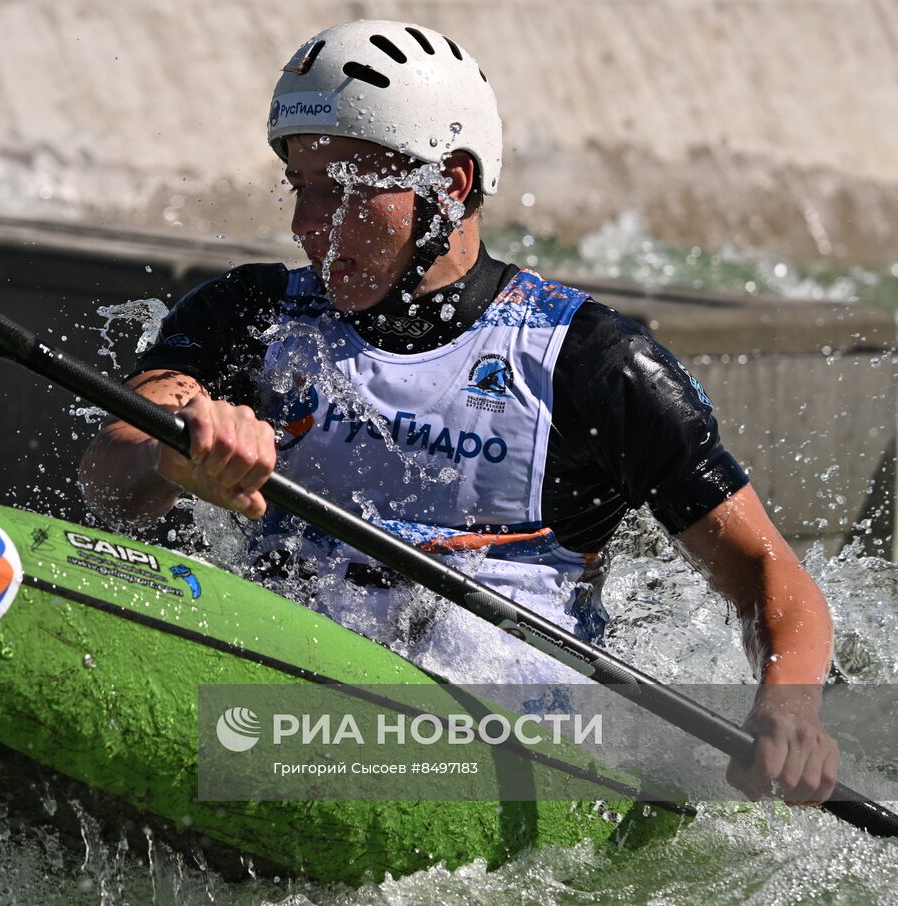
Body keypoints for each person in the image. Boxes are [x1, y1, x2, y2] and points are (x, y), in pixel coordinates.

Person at [79, 19, 837, 804]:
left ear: (454, 185)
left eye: (344, 190)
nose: (308, 226)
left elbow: (767, 571)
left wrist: (788, 709)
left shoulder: (590, 362)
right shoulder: (246, 315)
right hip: (279, 714)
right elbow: (112, 470)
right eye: (300, 186)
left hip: (511, 750)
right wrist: (171, 457)